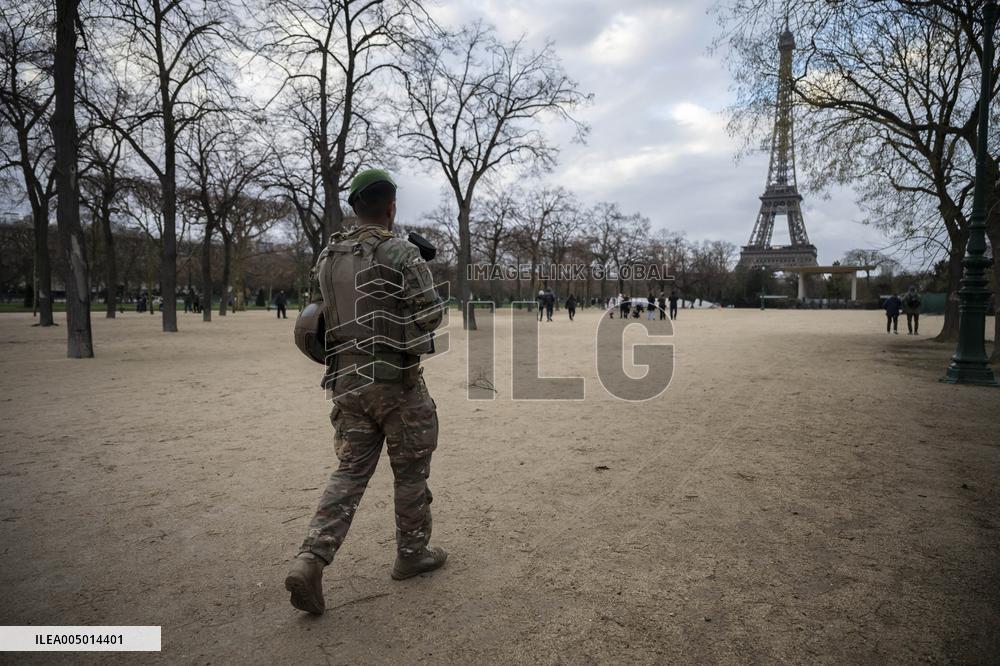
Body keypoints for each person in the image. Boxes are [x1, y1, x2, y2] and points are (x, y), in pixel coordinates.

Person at [286, 169, 447, 615]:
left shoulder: (326, 257)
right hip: (395, 383)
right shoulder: (401, 252)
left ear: (355, 209)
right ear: (391, 208)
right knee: (411, 473)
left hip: (346, 384)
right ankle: (411, 554)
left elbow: (316, 313)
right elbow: (431, 317)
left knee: (350, 472)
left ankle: (311, 559)